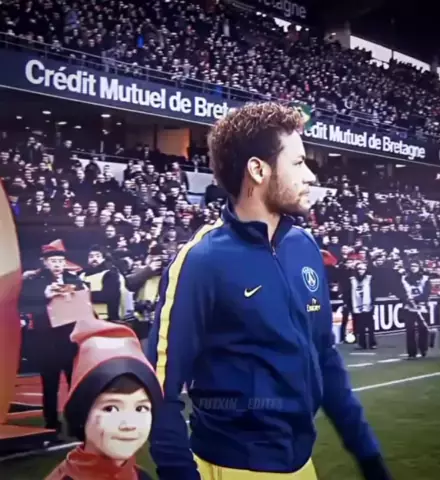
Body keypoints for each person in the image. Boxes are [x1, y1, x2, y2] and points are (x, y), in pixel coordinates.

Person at [147, 103, 391, 480]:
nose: (310, 175)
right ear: (258, 170)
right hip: (232, 467)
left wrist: (369, 457)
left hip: (302, 465)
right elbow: (160, 388)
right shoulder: (201, 261)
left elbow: (325, 358)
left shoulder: (305, 247)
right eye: (298, 163)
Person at [45, 315, 163, 480]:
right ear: (81, 413)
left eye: (141, 408)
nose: (129, 425)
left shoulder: (141, 476)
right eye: (110, 408)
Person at [19, 242, 86, 435]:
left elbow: (83, 304)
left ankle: (77, 423)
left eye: (60, 261)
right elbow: (25, 304)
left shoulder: (74, 279)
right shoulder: (35, 281)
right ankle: (51, 424)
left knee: (75, 383)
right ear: (45, 262)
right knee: (50, 384)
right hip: (46, 341)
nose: (57, 264)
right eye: (53, 261)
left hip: (70, 339)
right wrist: (45, 295)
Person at [80, 245, 127, 321]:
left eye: (98, 256)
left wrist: (83, 296)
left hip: (106, 318)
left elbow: (108, 296)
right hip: (86, 318)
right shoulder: (82, 275)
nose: (94, 259)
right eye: (91, 256)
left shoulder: (110, 274)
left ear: (104, 258)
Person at [399, 261, 432, 358]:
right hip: (409, 308)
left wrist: (416, 299)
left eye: (415, 266)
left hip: (422, 307)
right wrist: (406, 299)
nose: (413, 267)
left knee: (423, 329)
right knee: (410, 330)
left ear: (419, 267)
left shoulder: (425, 278)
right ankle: (411, 352)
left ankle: (423, 349)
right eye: (412, 266)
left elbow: (426, 293)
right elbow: (400, 292)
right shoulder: (404, 279)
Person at [345, 263, 378, 350]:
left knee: (370, 326)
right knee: (360, 326)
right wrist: (349, 304)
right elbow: (348, 292)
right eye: (359, 269)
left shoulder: (370, 278)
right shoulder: (351, 279)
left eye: (363, 269)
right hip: (356, 306)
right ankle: (362, 343)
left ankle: (372, 343)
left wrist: (373, 302)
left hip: (368, 306)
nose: (361, 271)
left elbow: (374, 291)